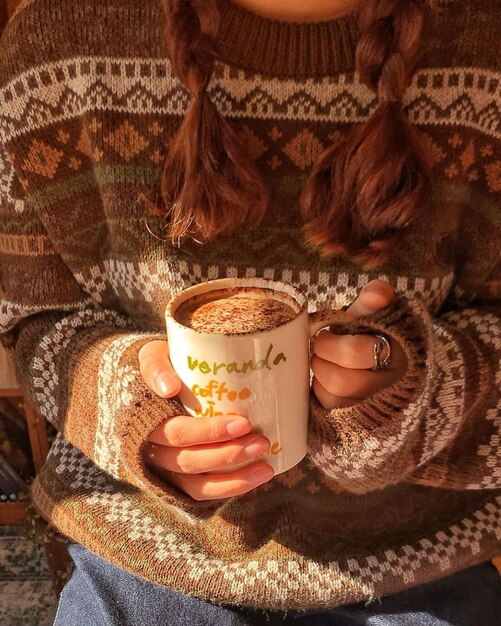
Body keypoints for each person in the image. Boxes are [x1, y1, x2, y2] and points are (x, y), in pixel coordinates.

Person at [0, 0, 500, 624]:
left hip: (417, 559)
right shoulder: (58, 42)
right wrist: (127, 407)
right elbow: (35, 317)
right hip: (144, 549)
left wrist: (417, 394)